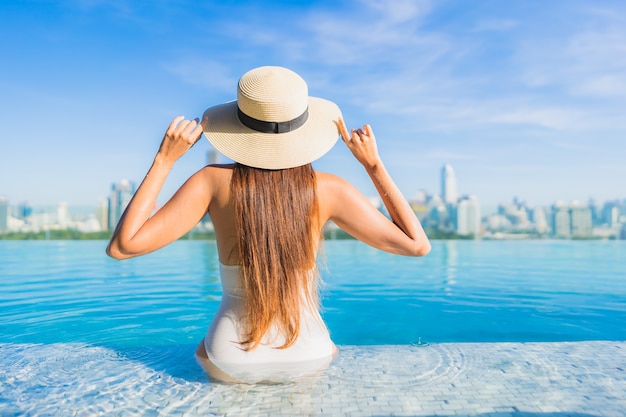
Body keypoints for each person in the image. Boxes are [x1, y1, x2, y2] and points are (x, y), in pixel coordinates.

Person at [106, 66, 431, 384]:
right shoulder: (329, 188)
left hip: (231, 353)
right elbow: (417, 245)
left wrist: (164, 159)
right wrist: (373, 165)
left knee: (203, 356)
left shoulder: (211, 182)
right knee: (327, 354)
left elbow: (123, 247)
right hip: (308, 352)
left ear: (238, 125)